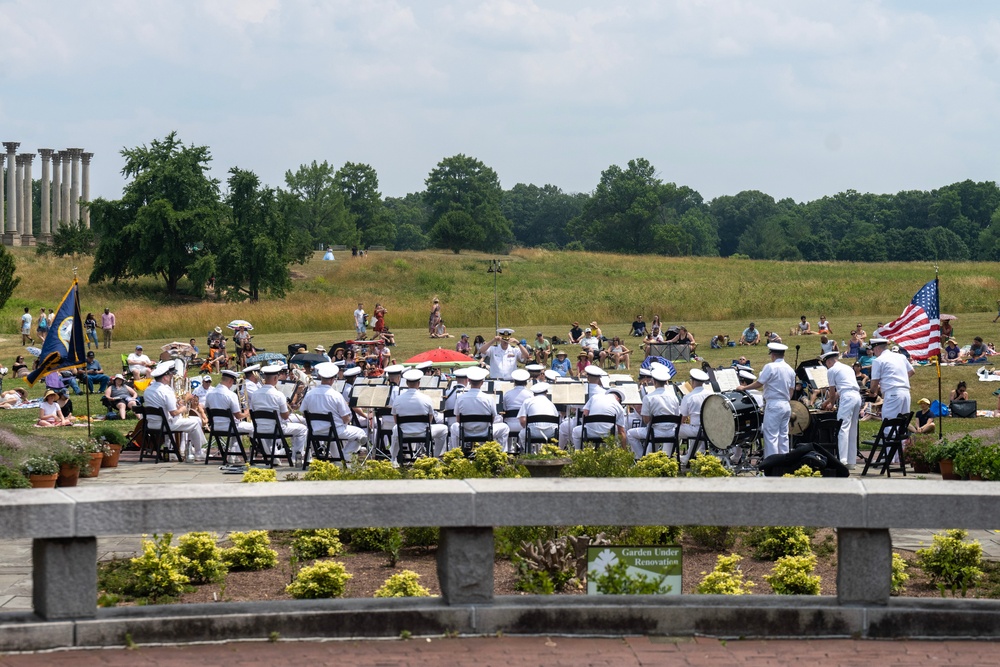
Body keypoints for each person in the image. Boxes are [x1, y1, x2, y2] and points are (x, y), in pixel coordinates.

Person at [300, 362, 368, 461]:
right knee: (361, 433)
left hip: (315, 430)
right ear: (332, 380)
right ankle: (345, 455)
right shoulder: (336, 395)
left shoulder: (309, 394)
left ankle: (338, 457)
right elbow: (346, 418)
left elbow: (303, 413)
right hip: (334, 430)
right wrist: (344, 422)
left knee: (335, 431)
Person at [739, 342, 796, 459]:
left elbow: (759, 383)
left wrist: (744, 388)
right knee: (783, 436)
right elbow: (791, 390)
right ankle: (783, 464)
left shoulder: (770, 367)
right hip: (786, 404)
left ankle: (771, 465)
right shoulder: (790, 369)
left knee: (771, 436)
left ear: (773, 355)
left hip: (774, 403)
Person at [144, 362, 207, 460]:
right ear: (165, 377)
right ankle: (198, 452)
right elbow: (173, 413)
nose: (171, 377)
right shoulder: (166, 390)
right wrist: (182, 409)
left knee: (195, 420)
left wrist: (178, 403)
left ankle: (185, 448)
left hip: (151, 424)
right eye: (170, 375)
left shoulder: (148, 390)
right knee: (195, 422)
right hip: (165, 424)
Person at [249, 364, 308, 465]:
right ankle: (295, 458)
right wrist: (289, 410)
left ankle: (275, 456)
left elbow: (253, 411)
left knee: (270, 428)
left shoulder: (255, 394)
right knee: (302, 429)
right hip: (276, 429)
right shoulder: (278, 394)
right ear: (276, 378)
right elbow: (285, 417)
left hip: (259, 428)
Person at [626, 366, 679, 459]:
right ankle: (661, 457)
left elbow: (646, 420)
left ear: (654, 381)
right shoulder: (674, 397)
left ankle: (641, 457)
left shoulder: (649, 397)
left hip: (654, 431)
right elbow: (676, 416)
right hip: (671, 432)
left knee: (630, 433)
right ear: (666, 382)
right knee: (651, 433)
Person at [820, 351, 862, 469]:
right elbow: (841, 390)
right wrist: (828, 402)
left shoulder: (831, 370)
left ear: (828, 361)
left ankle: (842, 459)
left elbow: (833, 393)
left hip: (847, 397)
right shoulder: (847, 368)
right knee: (852, 429)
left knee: (842, 428)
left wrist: (830, 404)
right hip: (856, 396)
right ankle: (851, 461)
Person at [451, 367, 509, 451]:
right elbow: (492, 418)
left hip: (466, 432)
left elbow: (458, 420)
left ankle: (456, 453)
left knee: (453, 427)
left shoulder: (460, 398)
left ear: (469, 381)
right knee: (505, 427)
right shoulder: (489, 398)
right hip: (485, 431)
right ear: (482, 383)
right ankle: (501, 454)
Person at [205, 369, 254, 454]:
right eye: (233, 383)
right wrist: (246, 413)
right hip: (230, 427)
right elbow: (238, 415)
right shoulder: (231, 395)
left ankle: (234, 455)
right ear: (231, 381)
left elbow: (207, 410)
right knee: (255, 428)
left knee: (236, 425)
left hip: (215, 427)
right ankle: (268, 452)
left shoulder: (209, 394)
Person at [869, 338, 913, 421]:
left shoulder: (878, 361)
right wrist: (900, 380)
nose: (873, 352)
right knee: (903, 422)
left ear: (877, 348)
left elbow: (875, 382)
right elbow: (911, 371)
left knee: (889, 422)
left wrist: (871, 392)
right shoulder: (901, 357)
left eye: (873, 350)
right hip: (905, 392)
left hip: (892, 393)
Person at [678, 369, 711, 464]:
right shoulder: (711, 394)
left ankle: (668, 454)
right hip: (709, 430)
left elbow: (682, 418)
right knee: (696, 430)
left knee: (673, 429)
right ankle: (689, 456)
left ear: (692, 382)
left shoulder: (689, 397)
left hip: (696, 429)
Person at [517, 382, 559, 451]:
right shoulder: (551, 403)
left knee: (522, 434)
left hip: (533, 432)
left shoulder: (527, 401)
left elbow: (522, 421)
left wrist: (529, 427)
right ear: (546, 393)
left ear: (533, 393)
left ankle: (528, 453)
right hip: (550, 433)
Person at [502, 369, 533, 449]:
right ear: (526, 382)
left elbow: (504, 410)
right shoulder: (530, 394)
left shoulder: (507, 394)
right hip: (524, 425)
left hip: (509, 425)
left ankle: (508, 450)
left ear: (514, 382)